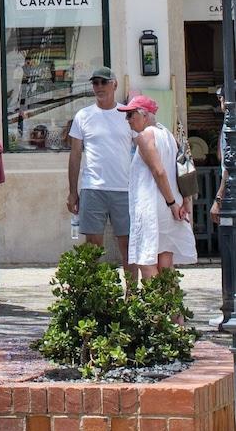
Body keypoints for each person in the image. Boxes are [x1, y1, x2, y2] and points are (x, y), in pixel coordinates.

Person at [67, 67, 135, 284]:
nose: (99, 87)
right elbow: (75, 155)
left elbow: (142, 149)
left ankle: (131, 297)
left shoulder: (127, 114)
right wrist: (72, 192)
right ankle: (96, 295)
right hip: (92, 187)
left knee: (127, 245)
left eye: (103, 82)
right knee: (92, 246)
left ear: (115, 84)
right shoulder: (83, 116)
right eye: (95, 83)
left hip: (124, 188)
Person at [120, 94, 197, 282]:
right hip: (169, 206)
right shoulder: (167, 135)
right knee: (165, 262)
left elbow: (159, 171)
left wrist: (172, 203)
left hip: (154, 206)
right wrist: (182, 201)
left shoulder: (145, 136)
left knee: (145, 262)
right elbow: (180, 169)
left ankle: (157, 310)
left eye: (130, 115)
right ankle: (174, 311)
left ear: (144, 115)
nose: (127, 120)